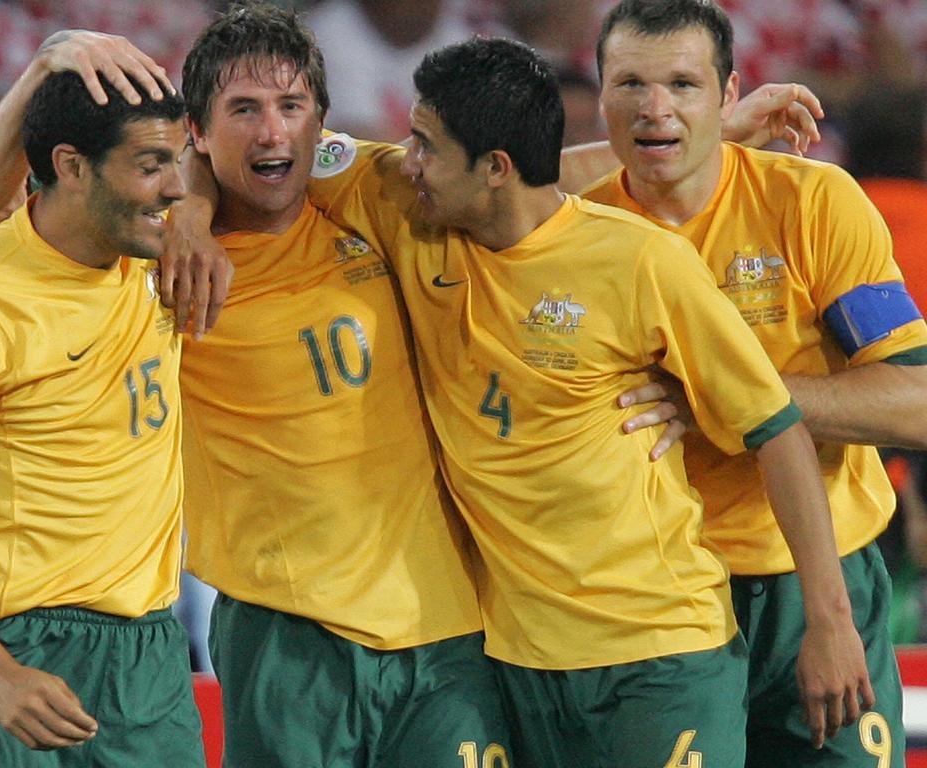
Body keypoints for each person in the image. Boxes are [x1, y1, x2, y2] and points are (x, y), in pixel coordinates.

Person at [0, 9, 513, 768]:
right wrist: (47, 66)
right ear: (198, 131)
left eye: (290, 108)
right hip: (284, 637)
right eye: (242, 110)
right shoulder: (150, 263)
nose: (271, 133)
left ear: (321, 120)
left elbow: (524, 195)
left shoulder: (374, 209)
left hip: (444, 628)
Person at [295, 35, 871, 767]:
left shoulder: (639, 261)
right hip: (519, 660)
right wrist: (188, 213)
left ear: (496, 169)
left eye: (425, 145)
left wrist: (831, 623)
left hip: (660, 658)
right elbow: (255, 149)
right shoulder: (412, 214)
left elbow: (777, 429)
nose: (406, 161)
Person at [581, 1, 927, 766]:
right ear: (600, 98)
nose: (654, 108)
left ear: (730, 94)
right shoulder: (572, 233)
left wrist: (721, 395)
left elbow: (916, 406)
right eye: (630, 83)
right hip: (657, 602)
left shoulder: (812, 203)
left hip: (819, 586)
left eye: (683, 83)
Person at [0, 68, 205, 767]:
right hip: (9, 652)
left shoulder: (157, 271)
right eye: (150, 165)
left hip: (150, 666)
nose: (176, 188)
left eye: (178, 162)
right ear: (70, 166)